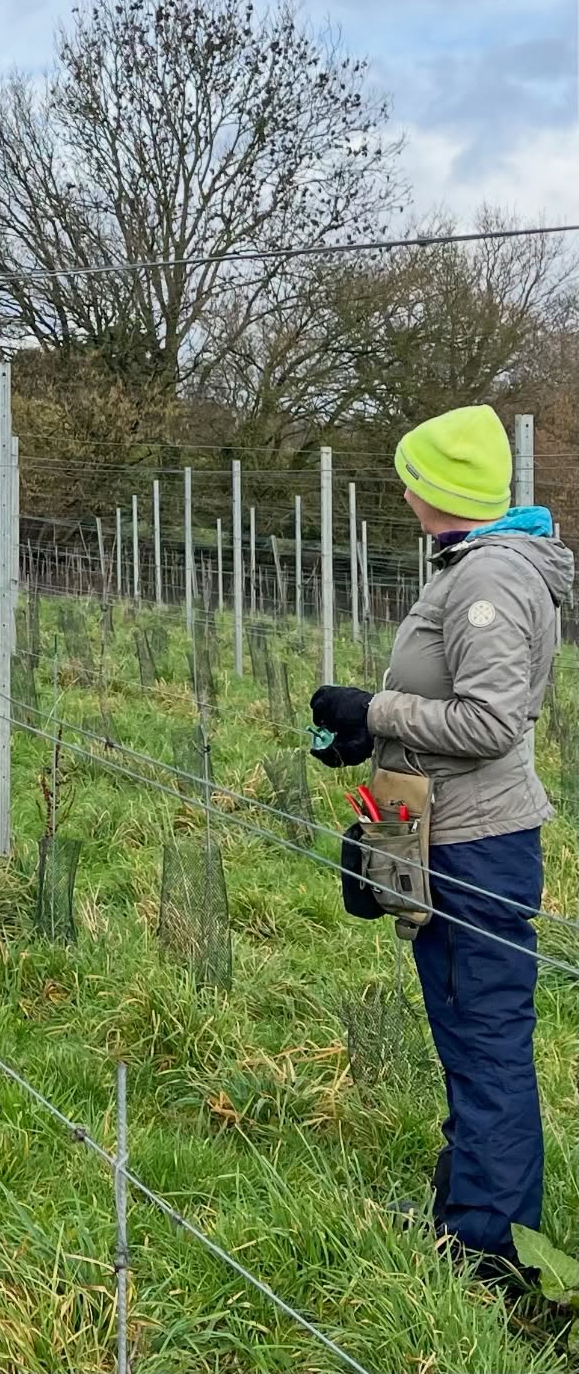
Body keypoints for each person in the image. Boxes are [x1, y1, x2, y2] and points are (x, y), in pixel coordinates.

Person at [309, 403, 573, 1276]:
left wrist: (374, 710)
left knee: (486, 1041)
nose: (405, 488)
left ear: (434, 487)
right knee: (468, 1032)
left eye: (411, 475)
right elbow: (454, 706)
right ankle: (466, 1210)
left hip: (474, 844)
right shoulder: (473, 565)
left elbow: (491, 719)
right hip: (446, 830)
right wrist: (369, 741)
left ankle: (490, 1255)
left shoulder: (489, 580)